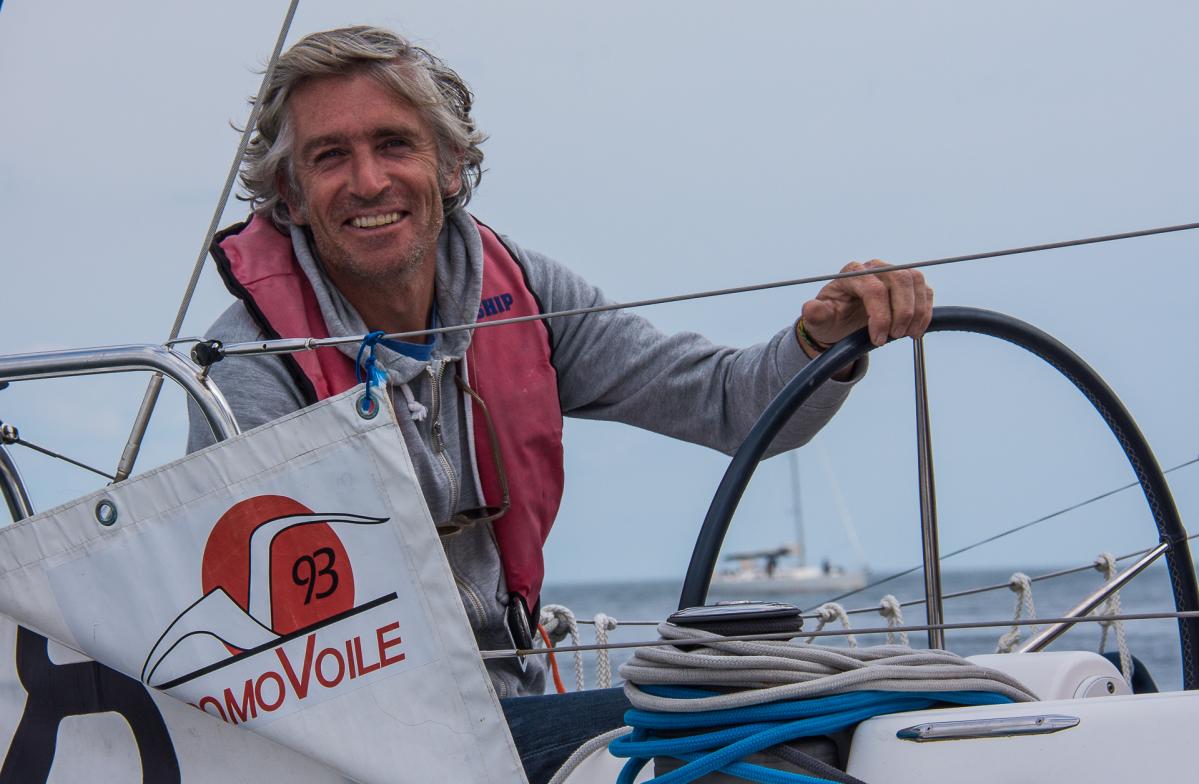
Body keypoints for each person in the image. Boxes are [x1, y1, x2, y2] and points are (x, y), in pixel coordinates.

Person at [187, 25, 933, 782]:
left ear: (450, 165)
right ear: (289, 194)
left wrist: (821, 342)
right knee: (744, 726)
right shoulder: (251, 364)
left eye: (394, 144)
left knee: (854, 713)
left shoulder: (525, 296)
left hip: (512, 708)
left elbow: (729, 403)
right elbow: (266, 650)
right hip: (364, 744)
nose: (369, 181)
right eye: (330, 156)